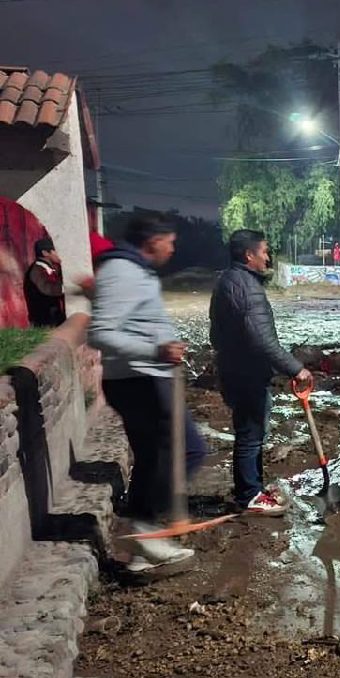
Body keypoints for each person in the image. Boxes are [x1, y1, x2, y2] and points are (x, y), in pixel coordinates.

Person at [88, 216, 209, 571]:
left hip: (140, 377)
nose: (172, 249)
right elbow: (100, 333)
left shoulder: (131, 270)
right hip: (140, 379)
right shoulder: (123, 271)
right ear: (152, 240)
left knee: (151, 458)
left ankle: (142, 550)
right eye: (169, 241)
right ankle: (145, 529)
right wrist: (156, 352)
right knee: (188, 450)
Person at [209, 229, 313, 516]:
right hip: (247, 373)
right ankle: (249, 496)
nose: (268, 257)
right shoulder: (248, 288)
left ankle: (253, 488)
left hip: (233, 368)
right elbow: (262, 340)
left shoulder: (227, 281)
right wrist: (296, 369)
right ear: (249, 255)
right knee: (251, 434)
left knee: (250, 431)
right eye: (264, 251)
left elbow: (215, 335)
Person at [23, 238, 66, 327]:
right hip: (44, 322)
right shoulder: (36, 270)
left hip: (53, 320)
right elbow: (47, 289)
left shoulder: (49, 269)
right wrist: (66, 287)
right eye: (55, 251)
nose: (58, 254)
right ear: (45, 253)